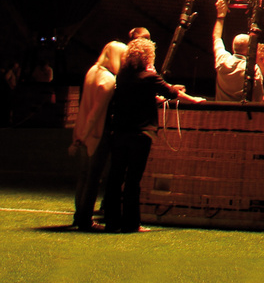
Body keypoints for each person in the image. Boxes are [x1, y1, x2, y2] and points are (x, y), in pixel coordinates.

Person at [103, 38, 203, 233]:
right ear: (148, 56)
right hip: (141, 134)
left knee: (115, 178)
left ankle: (112, 221)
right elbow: (171, 92)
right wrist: (194, 100)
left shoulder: (123, 75)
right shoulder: (149, 77)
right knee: (133, 180)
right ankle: (131, 224)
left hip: (120, 132)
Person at [70, 41, 126, 231]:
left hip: (82, 131)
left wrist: (78, 137)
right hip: (95, 134)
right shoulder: (109, 80)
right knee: (93, 178)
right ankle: (85, 219)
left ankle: (79, 216)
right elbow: (96, 113)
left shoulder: (92, 72)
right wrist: (83, 136)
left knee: (84, 176)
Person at [211, 0, 262, 102]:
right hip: (240, 115)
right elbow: (258, 99)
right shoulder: (253, 69)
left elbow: (216, 37)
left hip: (219, 112)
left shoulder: (222, 60)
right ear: (250, 49)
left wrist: (220, 16)